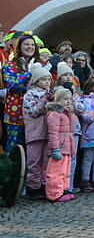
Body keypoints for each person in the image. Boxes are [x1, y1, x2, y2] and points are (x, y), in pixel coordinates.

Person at [23, 63, 54, 200]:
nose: (47, 82)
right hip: (35, 133)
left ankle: (44, 185)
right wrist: (44, 101)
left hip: (48, 133)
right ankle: (33, 187)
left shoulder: (50, 94)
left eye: (48, 79)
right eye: (44, 79)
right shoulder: (29, 95)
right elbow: (33, 111)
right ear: (36, 81)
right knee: (34, 161)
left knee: (47, 162)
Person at [3, 33, 37, 153]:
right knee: (14, 148)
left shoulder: (38, 65)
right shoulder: (10, 66)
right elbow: (11, 86)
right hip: (15, 114)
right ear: (19, 47)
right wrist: (28, 73)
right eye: (26, 44)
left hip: (35, 114)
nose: (30, 47)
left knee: (33, 150)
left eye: (32, 44)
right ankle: (10, 171)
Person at [45, 87, 79, 202]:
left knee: (65, 172)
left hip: (67, 148)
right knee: (56, 172)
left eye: (70, 99)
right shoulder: (54, 114)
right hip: (60, 147)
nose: (69, 101)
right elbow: (53, 133)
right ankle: (55, 193)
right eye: (65, 99)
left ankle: (64, 189)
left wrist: (72, 149)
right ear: (58, 100)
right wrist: (55, 149)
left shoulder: (67, 114)